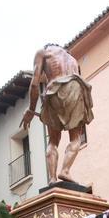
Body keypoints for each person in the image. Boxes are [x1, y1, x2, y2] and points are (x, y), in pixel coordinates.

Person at [20, 43, 93, 185]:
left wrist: (30, 109)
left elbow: (34, 84)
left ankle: (52, 179)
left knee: (53, 141)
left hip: (54, 90)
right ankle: (65, 170)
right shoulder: (72, 59)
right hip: (76, 89)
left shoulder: (43, 53)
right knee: (76, 138)